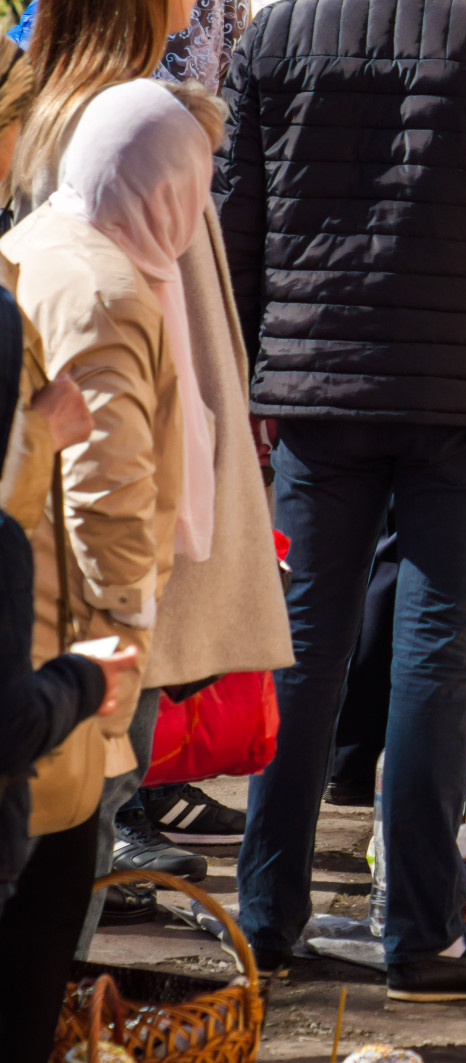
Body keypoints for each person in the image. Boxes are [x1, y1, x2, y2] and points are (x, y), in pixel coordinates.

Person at [217, 0, 466, 1000]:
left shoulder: (276, 31)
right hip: (464, 393)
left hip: (317, 393)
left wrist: (252, 372)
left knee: (299, 648)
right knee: (439, 654)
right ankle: (425, 935)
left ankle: (265, 918)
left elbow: (236, 220)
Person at [0, 68, 216, 1060]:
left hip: (34, 620)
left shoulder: (40, 243)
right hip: (57, 639)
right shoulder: (108, 286)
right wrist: (115, 655)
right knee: (43, 915)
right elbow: (109, 490)